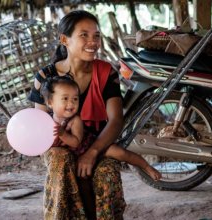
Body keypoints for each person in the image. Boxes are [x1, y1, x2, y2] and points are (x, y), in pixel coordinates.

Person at [28, 10, 132, 220]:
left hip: (97, 144)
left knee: (106, 173)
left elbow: (116, 120)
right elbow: (41, 128)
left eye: (96, 36)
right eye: (84, 35)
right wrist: (70, 145)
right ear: (65, 40)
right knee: (61, 161)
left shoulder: (106, 73)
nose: (92, 42)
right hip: (60, 145)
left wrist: (92, 152)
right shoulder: (45, 77)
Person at [40, 75, 161, 180]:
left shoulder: (74, 120)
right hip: (71, 157)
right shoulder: (47, 121)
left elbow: (76, 142)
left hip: (89, 147)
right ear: (50, 102)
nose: (71, 103)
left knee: (121, 153)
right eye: (65, 99)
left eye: (75, 99)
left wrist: (63, 134)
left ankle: (146, 167)